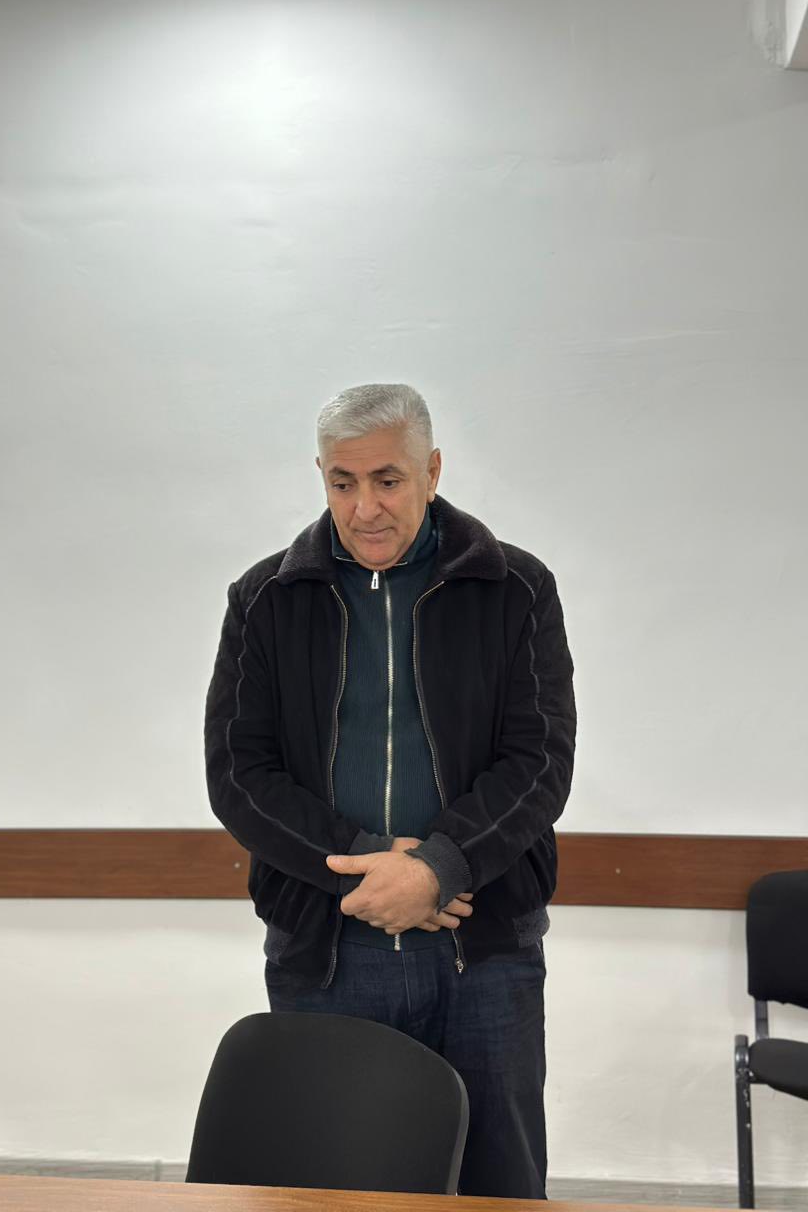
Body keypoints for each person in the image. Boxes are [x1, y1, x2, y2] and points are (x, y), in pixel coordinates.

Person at [204, 383, 575, 1198]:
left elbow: (540, 759)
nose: (364, 507)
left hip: (484, 953)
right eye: (342, 482)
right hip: (328, 951)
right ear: (321, 476)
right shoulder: (265, 601)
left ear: (432, 471)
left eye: (388, 480)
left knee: (500, 1187)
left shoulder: (516, 589)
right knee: (326, 1189)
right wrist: (369, 865)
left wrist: (440, 868)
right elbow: (238, 774)